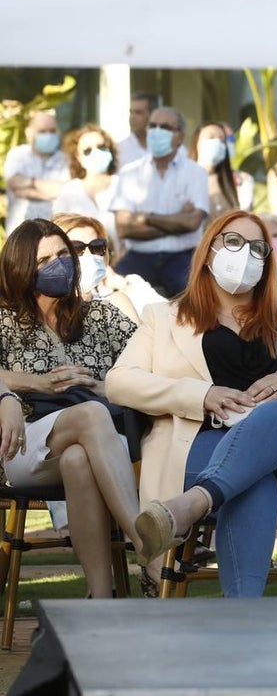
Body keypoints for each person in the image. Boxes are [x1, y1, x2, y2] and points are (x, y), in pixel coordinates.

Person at [105, 210, 277, 597]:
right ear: (207, 252)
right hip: (202, 443)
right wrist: (201, 395)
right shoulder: (164, 317)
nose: (244, 254)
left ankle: (191, 505)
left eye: (257, 247)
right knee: (254, 481)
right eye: (232, 242)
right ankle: (243, 614)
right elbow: (119, 382)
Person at [0, 219, 143, 598]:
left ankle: (101, 599)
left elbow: (150, 372)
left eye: (63, 254)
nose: (59, 264)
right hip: (24, 444)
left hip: (101, 443)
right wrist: (36, 383)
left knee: (79, 458)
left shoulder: (102, 316)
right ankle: (143, 538)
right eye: (44, 260)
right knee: (91, 415)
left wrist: (102, 386)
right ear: (21, 268)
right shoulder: (4, 320)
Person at [108, 106, 210, 297]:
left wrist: (145, 218)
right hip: (139, 257)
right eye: (152, 125)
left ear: (180, 136)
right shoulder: (130, 172)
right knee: (111, 292)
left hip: (181, 258)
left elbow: (192, 223)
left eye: (165, 127)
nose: (156, 131)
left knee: (196, 295)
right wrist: (177, 221)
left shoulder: (196, 173)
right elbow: (123, 228)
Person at [53, 212, 165, 322]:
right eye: (76, 248)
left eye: (97, 246)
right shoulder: (46, 311)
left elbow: (167, 317)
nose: (89, 255)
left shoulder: (120, 295)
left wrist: (126, 287)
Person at [4, 110, 71, 232]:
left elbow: (65, 190)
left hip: (55, 232)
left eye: (52, 131)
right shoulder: (18, 154)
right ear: (29, 133)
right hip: (20, 233)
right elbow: (14, 183)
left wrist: (30, 185)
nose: (48, 135)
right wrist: (51, 193)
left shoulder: (64, 159)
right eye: (42, 131)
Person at [54, 124, 120, 247]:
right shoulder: (69, 191)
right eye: (87, 150)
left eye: (101, 147)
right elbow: (57, 233)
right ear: (78, 157)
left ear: (110, 149)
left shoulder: (123, 186)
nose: (96, 152)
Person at [189, 122, 253, 217]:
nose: (217, 142)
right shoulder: (183, 178)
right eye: (211, 137)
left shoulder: (237, 180)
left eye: (222, 140)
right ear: (196, 143)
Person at [118, 91, 159, 166]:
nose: (132, 117)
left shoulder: (167, 147)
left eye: (138, 113)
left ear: (152, 115)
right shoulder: (119, 150)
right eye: (131, 112)